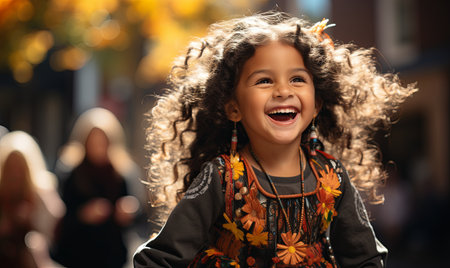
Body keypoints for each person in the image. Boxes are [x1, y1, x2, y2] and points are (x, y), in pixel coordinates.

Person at [133, 11, 417, 267]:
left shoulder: (332, 177)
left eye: (297, 79)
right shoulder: (221, 178)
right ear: (233, 108)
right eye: (264, 81)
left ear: (317, 103)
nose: (283, 91)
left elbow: (365, 259)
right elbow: (158, 259)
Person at [51, 108, 143, 268]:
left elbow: (138, 216)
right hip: (77, 255)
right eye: (94, 141)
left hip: (112, 257)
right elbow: (59, 216)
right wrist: (83, 215)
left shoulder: (122, 173)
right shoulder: (70, 173)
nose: (98, 146)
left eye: (102, 141)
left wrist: (129, 211)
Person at [0, 131, 65, 268]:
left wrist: (31, 217)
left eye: (19, 167)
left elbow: (52, 226)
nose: (15, 173)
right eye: (11, 167)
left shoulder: (40, 192)